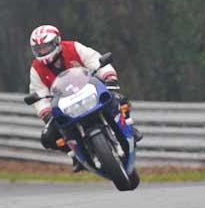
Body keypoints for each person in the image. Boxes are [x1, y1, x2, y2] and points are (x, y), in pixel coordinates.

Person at [28, 25, 142, 172]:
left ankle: (128, 126)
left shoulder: (73, 47)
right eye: (39, 49)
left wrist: (109, 79)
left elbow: (95, 60)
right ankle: (74, 152)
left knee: (119, 99)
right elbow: (38, 92)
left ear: (57, 42)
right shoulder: (36, 68)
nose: (42, 52)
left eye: (46, 47)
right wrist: (46, 112)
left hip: (90, 91)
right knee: (48, 138)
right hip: (65, 105)